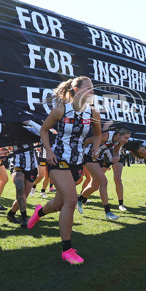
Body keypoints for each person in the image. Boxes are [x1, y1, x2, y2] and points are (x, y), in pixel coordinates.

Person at [26, 76, 101, 266]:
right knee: (71, 200)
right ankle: (66, 249)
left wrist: (96, 148)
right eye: (89, 88)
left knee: (60, 204)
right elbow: (44, 130)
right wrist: (48, 152)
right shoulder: (60, 110)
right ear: (77, 90)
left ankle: (39, 212)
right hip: (57, 160)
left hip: (77, 162)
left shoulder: (93, 112)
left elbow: (98, 135)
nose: (93, 91)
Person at [76, 126, 131, 220]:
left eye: (128, 138)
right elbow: (85, 141)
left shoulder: (118, 141)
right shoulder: (106, 136)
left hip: (98, 158)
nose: (127, 140)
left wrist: (116, 156)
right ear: (118, 134)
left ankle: (79, 199)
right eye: (125, 138)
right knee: (104, 182)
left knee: (95, 185)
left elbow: (116, 151)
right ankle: (108, 212)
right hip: (88, 156)